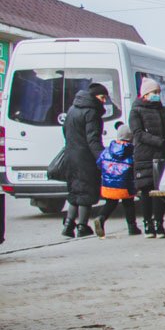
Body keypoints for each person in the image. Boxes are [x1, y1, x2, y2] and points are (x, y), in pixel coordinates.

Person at [129, 77, 165, 238]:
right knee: (146, 190)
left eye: (158, 92)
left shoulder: (164, 111)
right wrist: (158, 141)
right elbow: (138, 133)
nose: (156, 95)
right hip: (145, 156)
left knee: (160, 190)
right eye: (153, 92)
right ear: (145, 94)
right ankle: (147, 223)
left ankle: (159, 222)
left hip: (163, 155)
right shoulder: (136, 111)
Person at [61, 82, 108, 238]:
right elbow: (93, 140)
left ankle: (68, 226)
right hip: (85, 157)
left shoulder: (72, 109)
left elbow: (65, 131)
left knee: (75, 191)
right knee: (86, 192)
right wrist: (102, 159)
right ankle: (81, 226)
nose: (104, 101)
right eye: (102, 97)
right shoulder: (91, 113)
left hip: (71, 154)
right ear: (94, 97)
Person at [95, 123, 139, 238]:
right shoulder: (131, 151)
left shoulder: (108, 150)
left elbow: (99, 163)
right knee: (129, 204)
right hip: (125, 184)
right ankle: (132, 227)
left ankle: (101, 217)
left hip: (108, 184)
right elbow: (135, 166)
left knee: (110, 203)